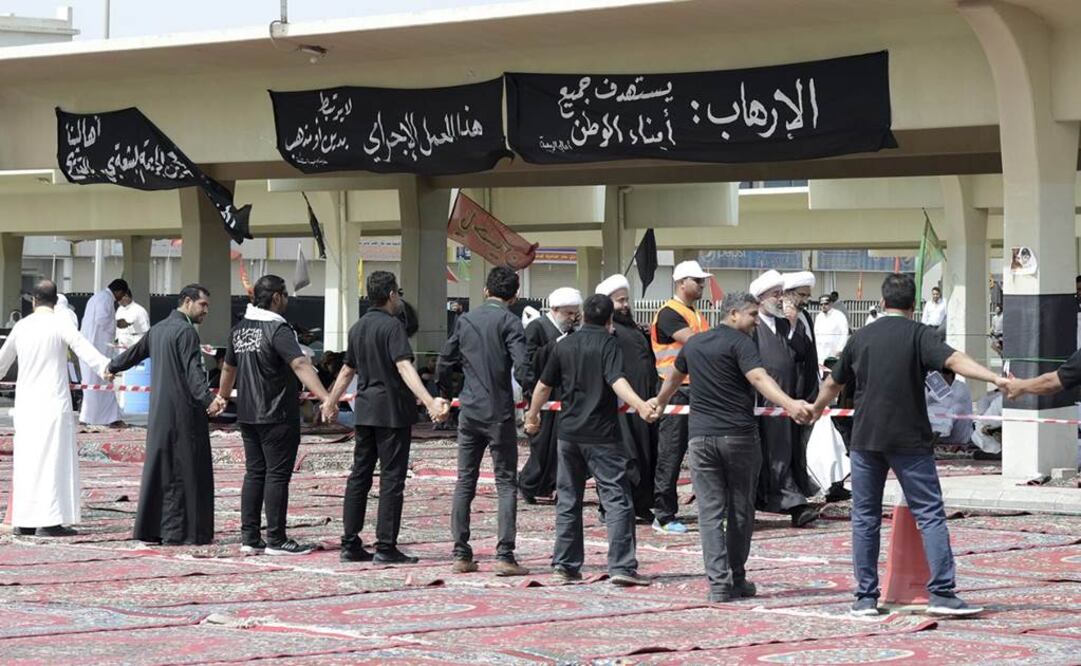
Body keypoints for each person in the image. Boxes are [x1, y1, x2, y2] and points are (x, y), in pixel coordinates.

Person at [812, 273, 1002, 617]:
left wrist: (813, 410)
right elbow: (955, 360)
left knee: (865, 518)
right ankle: (942, 593)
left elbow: (832, 384)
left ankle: (865, 598)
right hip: (910, 440)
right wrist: (993, 378)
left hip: (866, 439)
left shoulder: (861, 337)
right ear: (914, 305)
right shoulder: (920, 335)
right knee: (929, 515)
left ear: (882, 303)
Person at [653, 291, 813, 602]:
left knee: (710, 513)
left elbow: (674, 378)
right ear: (734, 314)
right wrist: (790, 404)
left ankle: (718, 584)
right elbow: (758, 378)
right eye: (752, 315)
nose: (756, 321)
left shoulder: (696, 343)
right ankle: (736, 578)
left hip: (701, 440)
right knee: (740, 509)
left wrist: (659, 403)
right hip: (739, 438)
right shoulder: (741, 343)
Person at [524, 293, 657, 587]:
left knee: (568, 500)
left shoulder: (565, 345)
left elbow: (543, 386)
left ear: (582, 315)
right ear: (609, 319)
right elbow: (616, 380)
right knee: (616, 499)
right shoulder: (609, 344)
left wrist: (532, 416)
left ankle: (565, 565)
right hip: (602, 436)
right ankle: (622, 565)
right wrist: (641, 404)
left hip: (568, 434)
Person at [323, 271, 449, 564]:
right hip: (391, 412)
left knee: (360, 476)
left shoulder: (357, 328)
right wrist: (430, 401)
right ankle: (385, 546)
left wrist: (330, 401)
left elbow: (346, 371)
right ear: (392, 294)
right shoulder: (393, 327)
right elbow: (404, 367)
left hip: (365, 411)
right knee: (392, 480)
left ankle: (350, 543)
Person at [216, 275, 335, 556]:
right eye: (285, 295)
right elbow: (300, 364)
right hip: (277, 413)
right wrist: (326, 397)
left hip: (247, 413)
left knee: (255, 473)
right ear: (277, 297)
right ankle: (277, 539)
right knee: (277, 476)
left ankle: (250, 537)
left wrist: (222, 396)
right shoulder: (278, 329)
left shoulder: (239, 329)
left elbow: (228, 369)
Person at [106, 284, 223, 545]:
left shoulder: (158, 330)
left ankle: (153, 529)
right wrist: (209, 400)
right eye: (203, 305)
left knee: (161, 470)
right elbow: (193, 371)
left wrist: (112, 366)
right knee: (187, 472)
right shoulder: (186, 332)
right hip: (184, 414)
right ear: (188, 301)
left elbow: (134, 353)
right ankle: (185, 532)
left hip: (159, 413)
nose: (206, 311)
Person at [437, 266, 530, 576]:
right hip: (499, 412)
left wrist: (445, 393)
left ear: (486, 291)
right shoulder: (510, 321)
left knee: (466, 480)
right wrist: (533, 398)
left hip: (469, 409)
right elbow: (522, 367)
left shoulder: (465, 320)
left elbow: (444, 361)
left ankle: (461, 553)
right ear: (514, 295)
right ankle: (504, 555)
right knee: (505, 483)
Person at [0, 280, 111, 537]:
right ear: (55, 301)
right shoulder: (61, 323)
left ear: (33, 301)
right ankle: (49, 522)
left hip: (26, 405)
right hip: (52, 404)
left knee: (27, 461)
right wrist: (108, 368)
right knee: (53, 460)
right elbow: (86, 351)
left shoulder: (22, 326)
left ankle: (25, 521)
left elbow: (2, 363)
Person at [750, 270, 819, 527]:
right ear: (761, 298)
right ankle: (791, 503)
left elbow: (801, 353)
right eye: (775, 294)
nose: (780, 299)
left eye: (781, 294)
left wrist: (791, 326)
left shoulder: (786, 322)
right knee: (771, 453)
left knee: (788, 451)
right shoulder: (753, 324)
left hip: (789, 400)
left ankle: (792, 501)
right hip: (764, 402)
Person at [650, 260, 711, 534]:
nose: (702, 286)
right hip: (674, 391)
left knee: (702, 452)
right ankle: (663, 515)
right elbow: (699, 344)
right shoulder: (669, 314)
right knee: (671, 454)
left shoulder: (696, 313)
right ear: (681, 282)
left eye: (702, 281)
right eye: (697, 281)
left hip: (696, 390)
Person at [597, 274, 658, 523]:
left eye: (626, 300)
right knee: (625, 457)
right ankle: (611, 507)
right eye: (619, 301)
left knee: (646, 454)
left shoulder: (634, 328)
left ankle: (641, 503)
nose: (625, 305)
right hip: (621, 405)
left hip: (644, 404)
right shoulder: (608, 332)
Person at [518, 287, 582, 503]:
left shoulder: (571, 330)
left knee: (561, 446)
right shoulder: (537, 327)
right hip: (542, 395)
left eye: (575, 313)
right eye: (568, 313)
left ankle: (553, 486)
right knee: (542, 445)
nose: (572, 318)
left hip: (563, 395)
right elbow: (529, 360)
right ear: (555, 310)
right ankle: (528, 484)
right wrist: (556, 344)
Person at [80, 278, 129, 426]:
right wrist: (116, 323)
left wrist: (115, 322)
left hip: (93, 348)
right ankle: (90, 418)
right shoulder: (105, 299)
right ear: (119, 291)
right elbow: (102, 320)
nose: (122, 298)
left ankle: (109, 418)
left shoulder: (99, 297)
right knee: (96, 385)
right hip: (96, 349)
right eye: (123, 295)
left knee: (100, 385)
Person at [927, 370, 974, 446]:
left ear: (949, 375)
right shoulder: (934, 390)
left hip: (959, 438)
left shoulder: (961, 388)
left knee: (956, 409)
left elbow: (950, 408)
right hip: (939, 440)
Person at [814, 294, 850, 362]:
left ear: (831, 303)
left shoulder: (839, 315)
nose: (823, 306)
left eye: (826, 304)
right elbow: (816, 333)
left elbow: (844, 333)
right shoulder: (819, 317)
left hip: (834, 352)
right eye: (821, 304)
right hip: (820, 352)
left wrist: (840, 349)